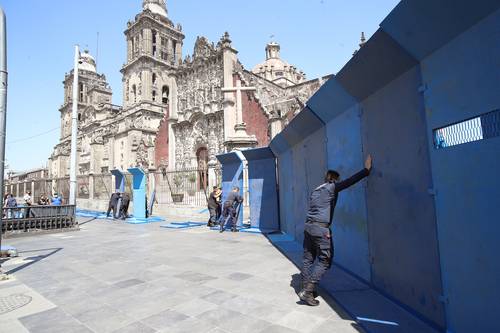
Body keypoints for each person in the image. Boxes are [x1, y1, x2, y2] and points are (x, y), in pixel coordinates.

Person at [299, 155, 373, 306]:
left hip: (308, 227)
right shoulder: (331, 187)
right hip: (320, 229)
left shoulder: (316, 190)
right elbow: (349, 182)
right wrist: (366, 170)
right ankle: (307, 291)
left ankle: (306, 287)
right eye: (337, 180)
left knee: (308, 259)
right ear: (334, 179)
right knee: (325, 260)